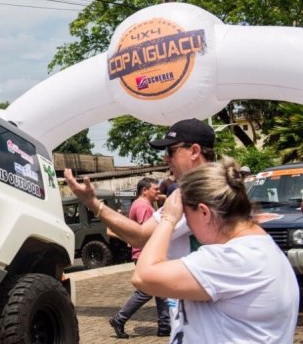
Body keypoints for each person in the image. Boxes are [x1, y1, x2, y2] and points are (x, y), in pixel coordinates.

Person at [64, 118, 215, 338]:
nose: (165, 158)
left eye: (170, 151)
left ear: (194, 151)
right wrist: (94, 204)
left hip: (206, 322)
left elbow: (141, 241)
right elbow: (140, 235)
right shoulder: (192, 192)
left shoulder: (200, 193)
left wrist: (94, 205)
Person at [132, 159, 299, 342]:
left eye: (186, 216)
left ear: (204, 212)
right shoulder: (260, 248)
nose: (188, 225)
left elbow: (142, 277)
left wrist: (169, 219)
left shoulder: (233, 258)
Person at [109, 177, 170, 338]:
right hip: (146, 254)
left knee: (159, 289)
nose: (158, 191)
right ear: (144, 190)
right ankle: (119, 319)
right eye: (155, 189)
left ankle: (165, 325)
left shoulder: (139, 204)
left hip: (144, 253)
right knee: (146, 291)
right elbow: (146, 233)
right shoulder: (143, 206)